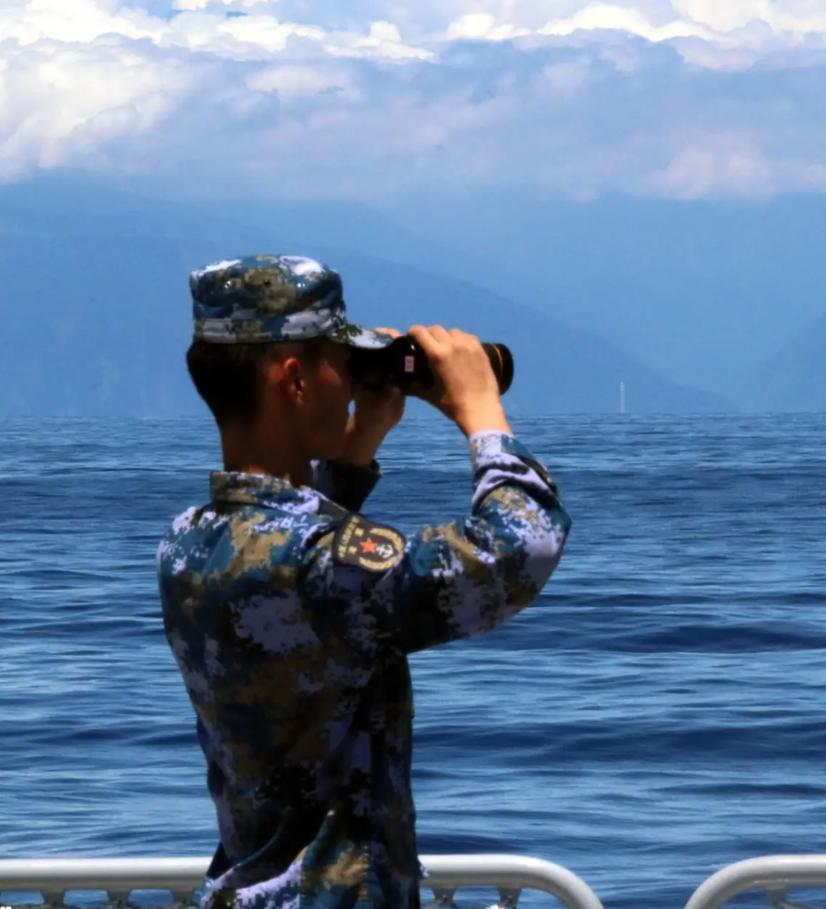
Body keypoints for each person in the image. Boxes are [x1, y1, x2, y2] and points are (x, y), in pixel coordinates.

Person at [157, 254, 572, 909]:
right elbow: (519, 549)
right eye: (339, 363)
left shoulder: (188, 541)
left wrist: (358, 443)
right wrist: (481, 414)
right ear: (294, 379)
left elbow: (292, 559)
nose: (350, 382)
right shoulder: (321, 565)